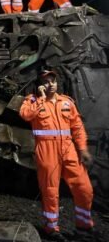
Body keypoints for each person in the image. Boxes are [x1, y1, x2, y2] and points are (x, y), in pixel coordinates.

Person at [19, 69, 94, 240]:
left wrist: (82, 149)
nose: (51, 84)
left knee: (85, 189)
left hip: (69, 150)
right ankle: (51, 228)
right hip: (47, 150)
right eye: (46, 81)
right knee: (50, 191)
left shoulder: (67, 102)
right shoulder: (32, 101)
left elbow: (77, 127)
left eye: (53, 81)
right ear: (40, 86)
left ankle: (84, 227)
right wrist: (42, 100)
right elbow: (25, 115)